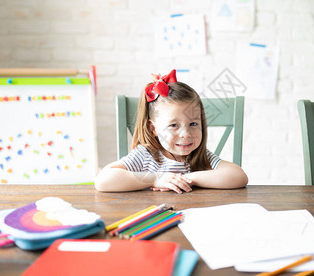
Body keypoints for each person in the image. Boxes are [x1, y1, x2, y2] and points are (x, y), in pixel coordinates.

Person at [95, 69, 248, 194]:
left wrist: (187, 178)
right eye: (174, 125)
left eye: (193, 123)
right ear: (153, 128)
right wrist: (156, 178)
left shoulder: (199, 157)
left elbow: (239, 176)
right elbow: (103, 180)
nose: (186, 134)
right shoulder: (146, 155)